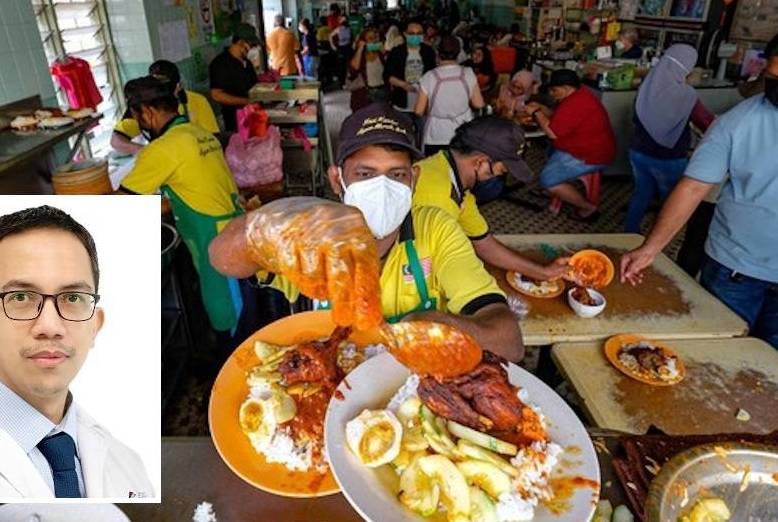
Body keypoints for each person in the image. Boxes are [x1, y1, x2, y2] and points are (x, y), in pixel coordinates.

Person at [620, 18, 778, 362]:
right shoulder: (742, 119)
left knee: (776, 362)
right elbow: (694, 186)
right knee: (716, 353)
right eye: (774, 77)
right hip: (735, 268)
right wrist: (651, 249)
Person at [208, 103, 524, 362]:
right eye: (365, 174)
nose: (382, 187)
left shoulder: (436, 229)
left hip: (410, 396)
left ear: (413, 180)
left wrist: (447, 326)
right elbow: (222, 259)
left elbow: (510, 342)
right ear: (336, 180)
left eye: (396, 174)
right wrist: (270, 222)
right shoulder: (309, 234)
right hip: (328, 388)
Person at [0, 206, 154, 499]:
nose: (50, 325)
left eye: (72, 298)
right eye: (21, 297)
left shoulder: (128, 464)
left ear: (94, 326)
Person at [117, 76, 244, 334]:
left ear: (148, 112)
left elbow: (121, 204)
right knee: (236, 301)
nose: (139, 123)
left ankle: (233, 364)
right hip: (232, 226)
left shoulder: (163, 148)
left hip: (214, 237)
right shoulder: (198, 133)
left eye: (137, 117)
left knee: (227, 311)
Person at [413, 115, 569, 282]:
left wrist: (544, 272)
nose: (502, 175)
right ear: (480, 163)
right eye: (502, 170)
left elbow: (483, 243)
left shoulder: (453, 178)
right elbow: (419, 269)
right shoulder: (437, 196)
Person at [623, 44, 715, 233]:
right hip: (667, 157)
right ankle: (660, 238)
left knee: (642, 193)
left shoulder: (647, 87)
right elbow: (706, 122)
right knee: (671, 199)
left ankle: (630, 231)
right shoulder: (686, 95)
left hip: (638, 151)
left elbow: (636, 117)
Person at [528, 69, 616, 222]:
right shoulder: (578, 95)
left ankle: (588, 208)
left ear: (566, 88)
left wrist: (536, 113)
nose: (551, 93)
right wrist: (542, 109)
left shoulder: (577, 103)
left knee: (547, 180)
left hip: (591, 154)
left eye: (554, 90)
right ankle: (555, 190)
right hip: (582, 146)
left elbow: (553, 133)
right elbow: (559, 120)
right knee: (550, 150)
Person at [110, 60, 219, 155]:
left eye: (168, 89)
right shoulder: (144, 108)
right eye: (158, 89)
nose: (164, 95)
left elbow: (215, 139)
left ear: (179, 86)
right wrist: (143, 151)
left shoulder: (197, 101)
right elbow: (116, 139)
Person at [415, 35, 484, 155]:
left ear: (437, 53)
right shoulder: (468, 73)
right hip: (463, 133)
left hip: (435, 135)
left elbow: (418, 111)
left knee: (437, 171)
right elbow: (479, 103)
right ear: (458, 53)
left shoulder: (429, 77)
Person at [209, 23, 261, 132]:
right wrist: (245, 101)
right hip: (235, 121)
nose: (252, 49)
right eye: (251, 46)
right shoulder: (220, 64)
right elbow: (216, 95)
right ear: (241, 42)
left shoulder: (246, 62)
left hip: (253, 116)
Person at [386, 20, 436, 119]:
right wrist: (402, 84)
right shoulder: (396, 52)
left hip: (423, 105)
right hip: (402, 104)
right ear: (405, 34)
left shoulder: (428, 52)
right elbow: (388, 75)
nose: (415, 36)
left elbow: (433, 74)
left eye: (419, 34)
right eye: (412, 34)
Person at [347, 26, 388, 110]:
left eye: (376, 37)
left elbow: (390, 70)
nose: (374, 40)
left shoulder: (381, 54)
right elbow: (354, 69)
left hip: (382, 91)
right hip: (366, 93)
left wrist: (385, 53)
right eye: (370, 38)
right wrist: (360, 48)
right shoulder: (360, 56)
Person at [330, 16, 353, 87]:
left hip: (348, 48)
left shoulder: (349, 29)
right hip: (341, 48)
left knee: (348, 65)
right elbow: (330, 36)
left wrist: (353, 44)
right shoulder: (338, 29)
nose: (344, 21)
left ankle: (347, 81)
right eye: (342, 20)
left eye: (345, 20)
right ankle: (342, 82)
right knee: (341, 66)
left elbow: (353, 37)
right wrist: (332, 45)